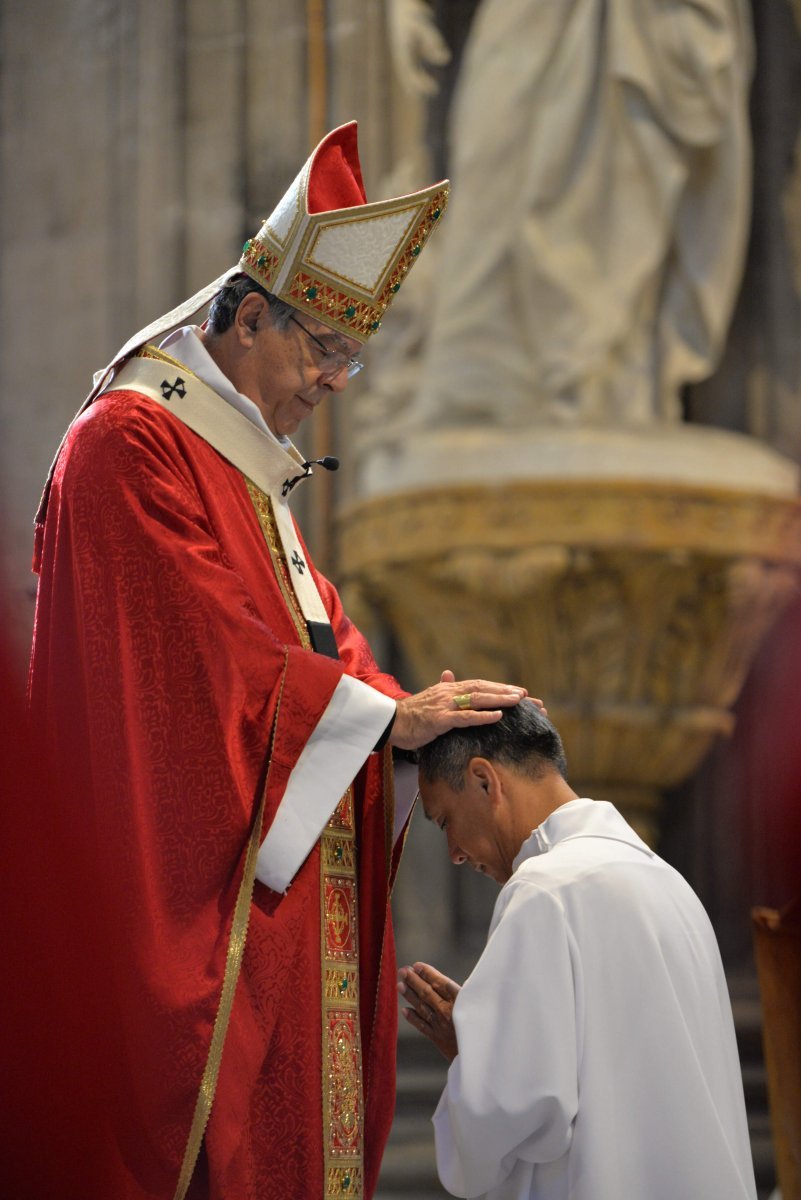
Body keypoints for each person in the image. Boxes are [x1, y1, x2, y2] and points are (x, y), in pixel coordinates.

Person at [22, 121, 527, 1200]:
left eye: (350, 358)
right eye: (322, 351)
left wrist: (408, 705)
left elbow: (317, 638)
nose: (335, 382)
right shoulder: (131, 444)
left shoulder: (244, 464)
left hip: (289, 910)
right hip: (192, 915)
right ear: (248, 318)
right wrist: (377, 719)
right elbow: (197, 663)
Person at [398, 700, 758, 1200]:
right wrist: (495, 1033)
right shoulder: (670, 883)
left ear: (484, 781)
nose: (455, 853)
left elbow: (510, 1111)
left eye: (444, 821)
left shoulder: (544, 891)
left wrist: (476, 1054)